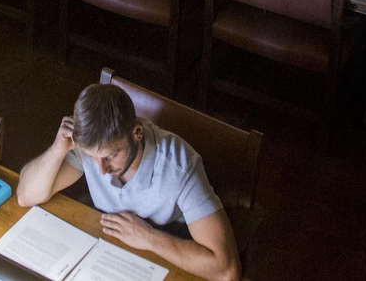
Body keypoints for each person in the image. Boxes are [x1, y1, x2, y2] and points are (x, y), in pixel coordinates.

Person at [16, 84, 240, 281]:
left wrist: (149, 238)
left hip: (170, 246)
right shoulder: (90, 150)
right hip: (109, 251)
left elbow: (226, 270)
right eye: (93, 156)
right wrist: (57, 150)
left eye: (111, 155)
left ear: (137, 133)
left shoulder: (180, 166)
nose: (101, 169)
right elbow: (26, 196)